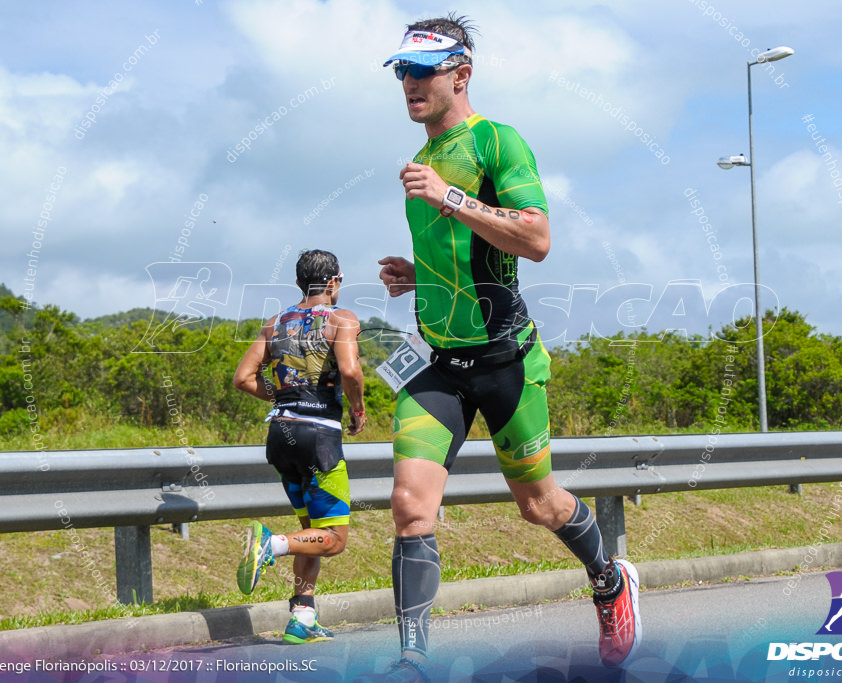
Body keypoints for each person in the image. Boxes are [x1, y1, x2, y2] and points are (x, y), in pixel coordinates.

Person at [366, 13, 641, 682]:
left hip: (506, 362)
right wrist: (416, 274)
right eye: (401, 70)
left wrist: (453, 197)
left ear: (461, 73)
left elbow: (535, 238)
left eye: (422, 70)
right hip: (436, 365)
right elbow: (464, 257)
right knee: (409, 504)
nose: (408, 82)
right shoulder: (420, 164)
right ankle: (413, 660)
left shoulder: (497, 144)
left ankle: (608, 579)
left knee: (539, 504)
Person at [233, 249, 366, 644]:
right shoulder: (342, 319)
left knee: (313, 531)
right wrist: (357, 409)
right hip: (320, 438)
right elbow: (350, 370)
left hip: (280, 436)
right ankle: (270, 544)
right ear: (333, 282)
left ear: (298, 284)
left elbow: (243, 378)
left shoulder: (274, 324)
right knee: (335, 539)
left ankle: (302, 617)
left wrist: (283, 399)